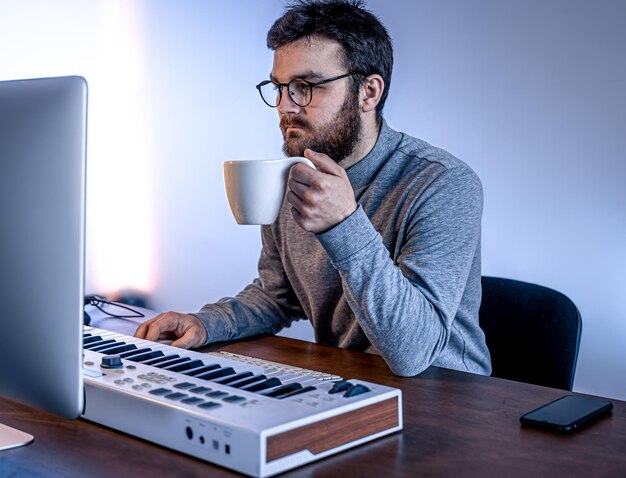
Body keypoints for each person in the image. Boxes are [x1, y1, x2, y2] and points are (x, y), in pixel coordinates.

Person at [135, 0, 491, 377]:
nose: (286, 106)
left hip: (447, 397)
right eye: (279, 87)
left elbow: (414, 352)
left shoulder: (443, 184)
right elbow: (276, 296)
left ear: (368, 92)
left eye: (305, 86)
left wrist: (343, 224)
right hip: (348, 386)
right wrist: (207, 323)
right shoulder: (292, 176)